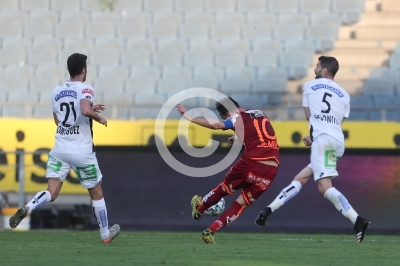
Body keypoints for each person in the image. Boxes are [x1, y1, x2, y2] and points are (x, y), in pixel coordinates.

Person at [255, 56, 370, 243]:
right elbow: (337, 124)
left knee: (324, 188)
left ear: (324, 70)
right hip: (336, 141)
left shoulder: (309, 86)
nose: (315, 69)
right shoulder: (345, 95)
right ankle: (268, 211)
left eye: (317, 66)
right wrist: (315, 137)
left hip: (323, 141)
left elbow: (309, 115)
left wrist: (317, 136)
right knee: (300, 178)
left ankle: (357, 220)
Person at [9, 53, 120, 243]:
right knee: (97, 193)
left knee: (51, 192)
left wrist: (91, 110)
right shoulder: (86, 89)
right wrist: (98, 117)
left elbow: (58, 120)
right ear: (84, 70)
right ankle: (105, 235)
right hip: (82, 152)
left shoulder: (56, 91)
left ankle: (28, 207)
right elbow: (84, 109)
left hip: (60, 148)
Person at [176, 97, 280, 244]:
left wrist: (188, 117)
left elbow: (217, 125)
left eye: (226, 117)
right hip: (271, 169)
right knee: (240, 204)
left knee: (224, 188)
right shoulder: (259, 113)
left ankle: (199, 209)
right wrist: (237, 139)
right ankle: (210, 231)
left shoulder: (236, 116)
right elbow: (259, 135)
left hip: (251, 162)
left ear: (227, 113)